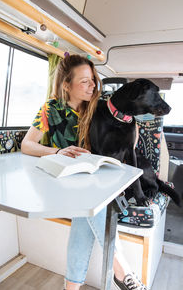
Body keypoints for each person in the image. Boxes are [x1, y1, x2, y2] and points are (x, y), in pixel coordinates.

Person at [21, 54, 147, 290]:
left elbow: (129, 132)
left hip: (95, 182)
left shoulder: (101, 107)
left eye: (93, 80)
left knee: (87, 214)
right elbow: (27, 145)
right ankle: (123, 272)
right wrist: (57, 152)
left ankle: (72, 287)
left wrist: (131, 127)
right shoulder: (50, 109)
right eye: (85, 81)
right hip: (63, 183)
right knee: (93, 208)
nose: (93, 86)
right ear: (66, 85)